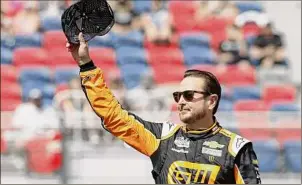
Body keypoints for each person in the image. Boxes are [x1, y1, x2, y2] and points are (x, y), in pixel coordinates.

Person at [66, 33, 261, 184]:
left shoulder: (236, 148)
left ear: (211, 101)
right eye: (178, 96)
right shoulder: (163, 138)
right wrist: (86, 65)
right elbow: (113, 116)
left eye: (189, 95)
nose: (181, 101)